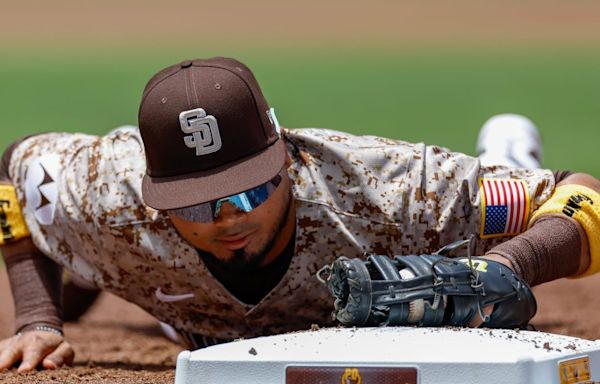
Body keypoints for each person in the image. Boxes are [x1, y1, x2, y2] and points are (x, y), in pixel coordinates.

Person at [0, 57, 598, 372]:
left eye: (249, 188)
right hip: (183, 302)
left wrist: (506, 264)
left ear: (283, 156)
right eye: (197, 203)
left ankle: (505, 157)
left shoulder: (386, 190)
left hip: (429, 230)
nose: (230, 215)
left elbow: (582, 197)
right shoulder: (105, 189)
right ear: (156, 196)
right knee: (113, 257)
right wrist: (37, 319)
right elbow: (12, 173)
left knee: (490, 230)